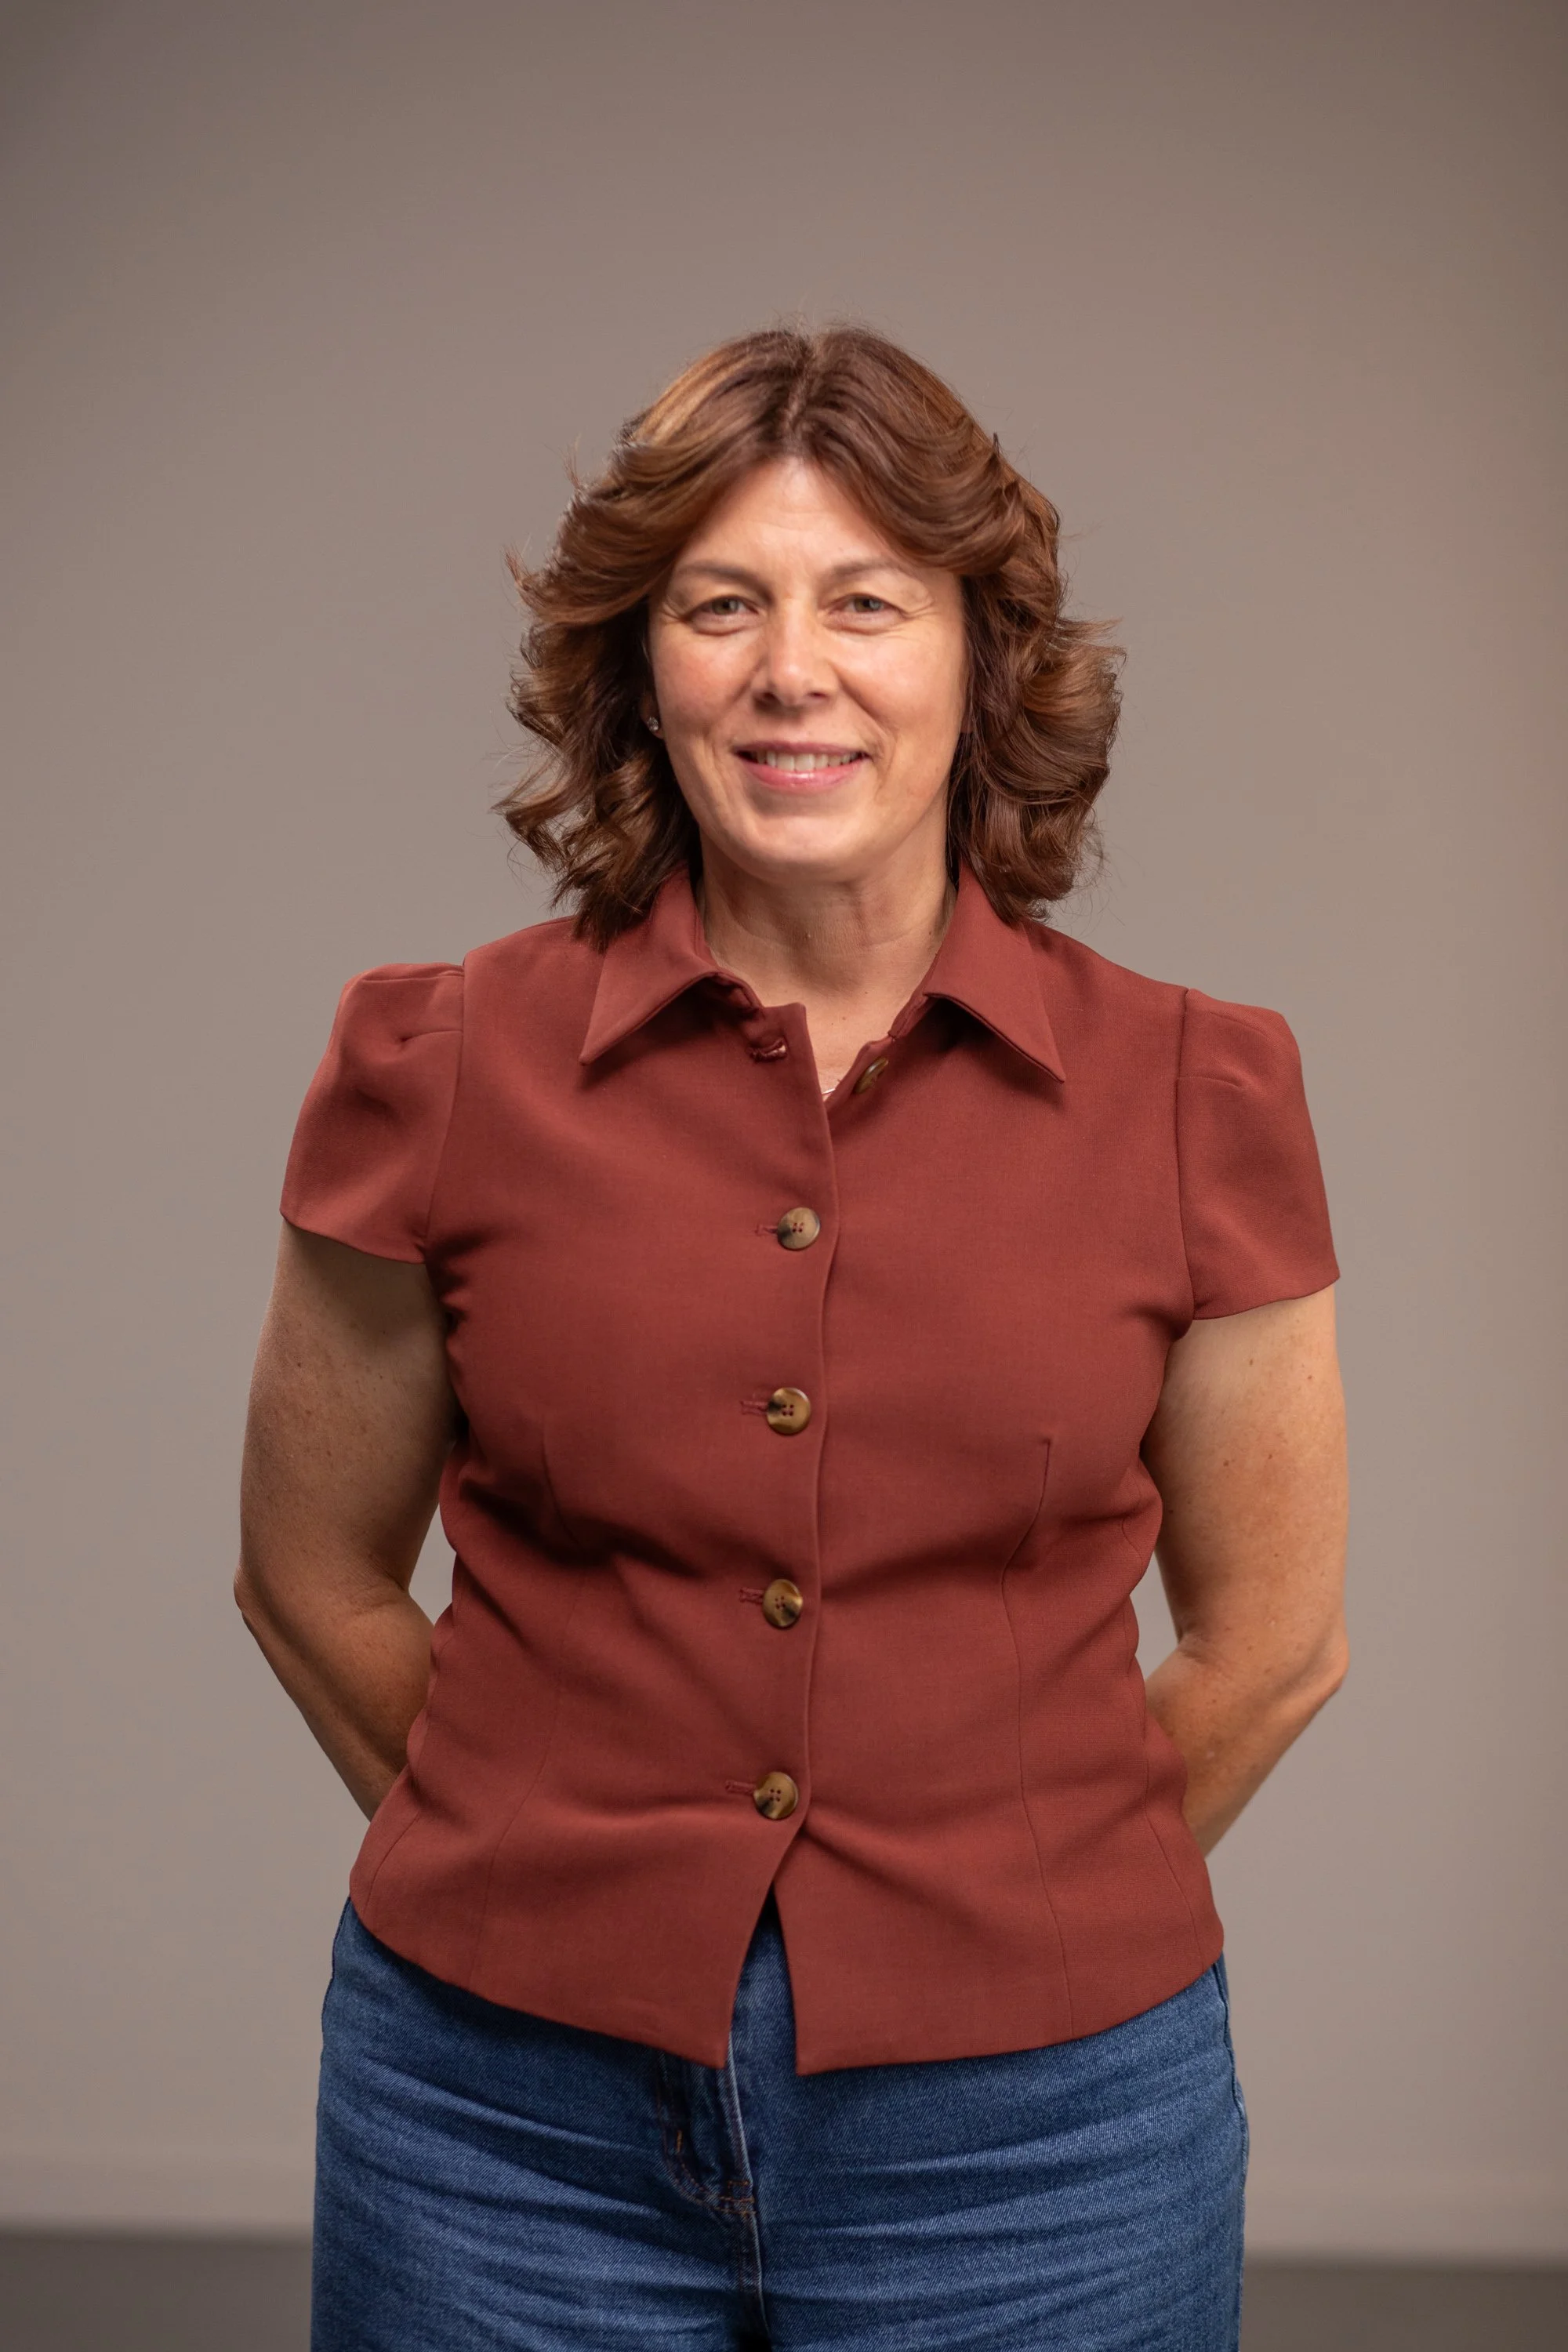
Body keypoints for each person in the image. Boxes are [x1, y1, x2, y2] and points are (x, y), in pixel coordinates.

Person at [237, 324, 1348, 2352]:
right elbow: (308, 1581)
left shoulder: (1199, 1093)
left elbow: (1275, 1644)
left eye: (868, 603)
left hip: (1046, 2149)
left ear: (981, 660)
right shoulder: (444, 1058)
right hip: (494, 2126)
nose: (790, 670)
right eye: (720, 605)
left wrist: (1018, 1904)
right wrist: (543, 1867)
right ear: (640, 667)